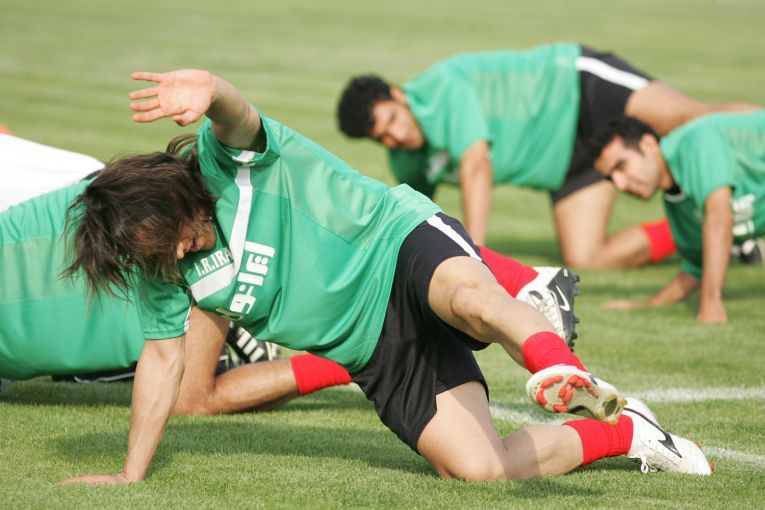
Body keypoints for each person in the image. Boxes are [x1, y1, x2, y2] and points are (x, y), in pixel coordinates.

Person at [62, 69, 711, 484]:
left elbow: (234, 112)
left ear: (172, 198)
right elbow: (162, 363)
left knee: (472, 298)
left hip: (396, 247)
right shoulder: (164, 270)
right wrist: (130, 476)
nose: (173, 253)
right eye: (154, 253)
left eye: (167, 236)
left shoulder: (228, 161)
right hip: (373, 349)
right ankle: (627, 430)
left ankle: (554, 364)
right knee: (479, 470)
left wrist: (211, 87)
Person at [336, 42, 761, 269]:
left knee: (691, 117)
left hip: (579, 90)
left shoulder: (442, 89)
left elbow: (476, 163)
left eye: (392, 120)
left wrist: (473, 252)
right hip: (568, 165)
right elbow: (413, 213)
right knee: (587, 257)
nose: (395, 136)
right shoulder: (404, 158)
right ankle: (724, 238)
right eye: (381, 137)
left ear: (398, 95)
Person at [587, 112, 765, 323]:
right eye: (610, 178)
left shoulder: (697, 142)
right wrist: (648, 306)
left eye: (621, 166)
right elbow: (696, 268)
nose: (620, 184)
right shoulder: (677, 201)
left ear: (649, 144)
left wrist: (710, 304)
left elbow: (720, 215)